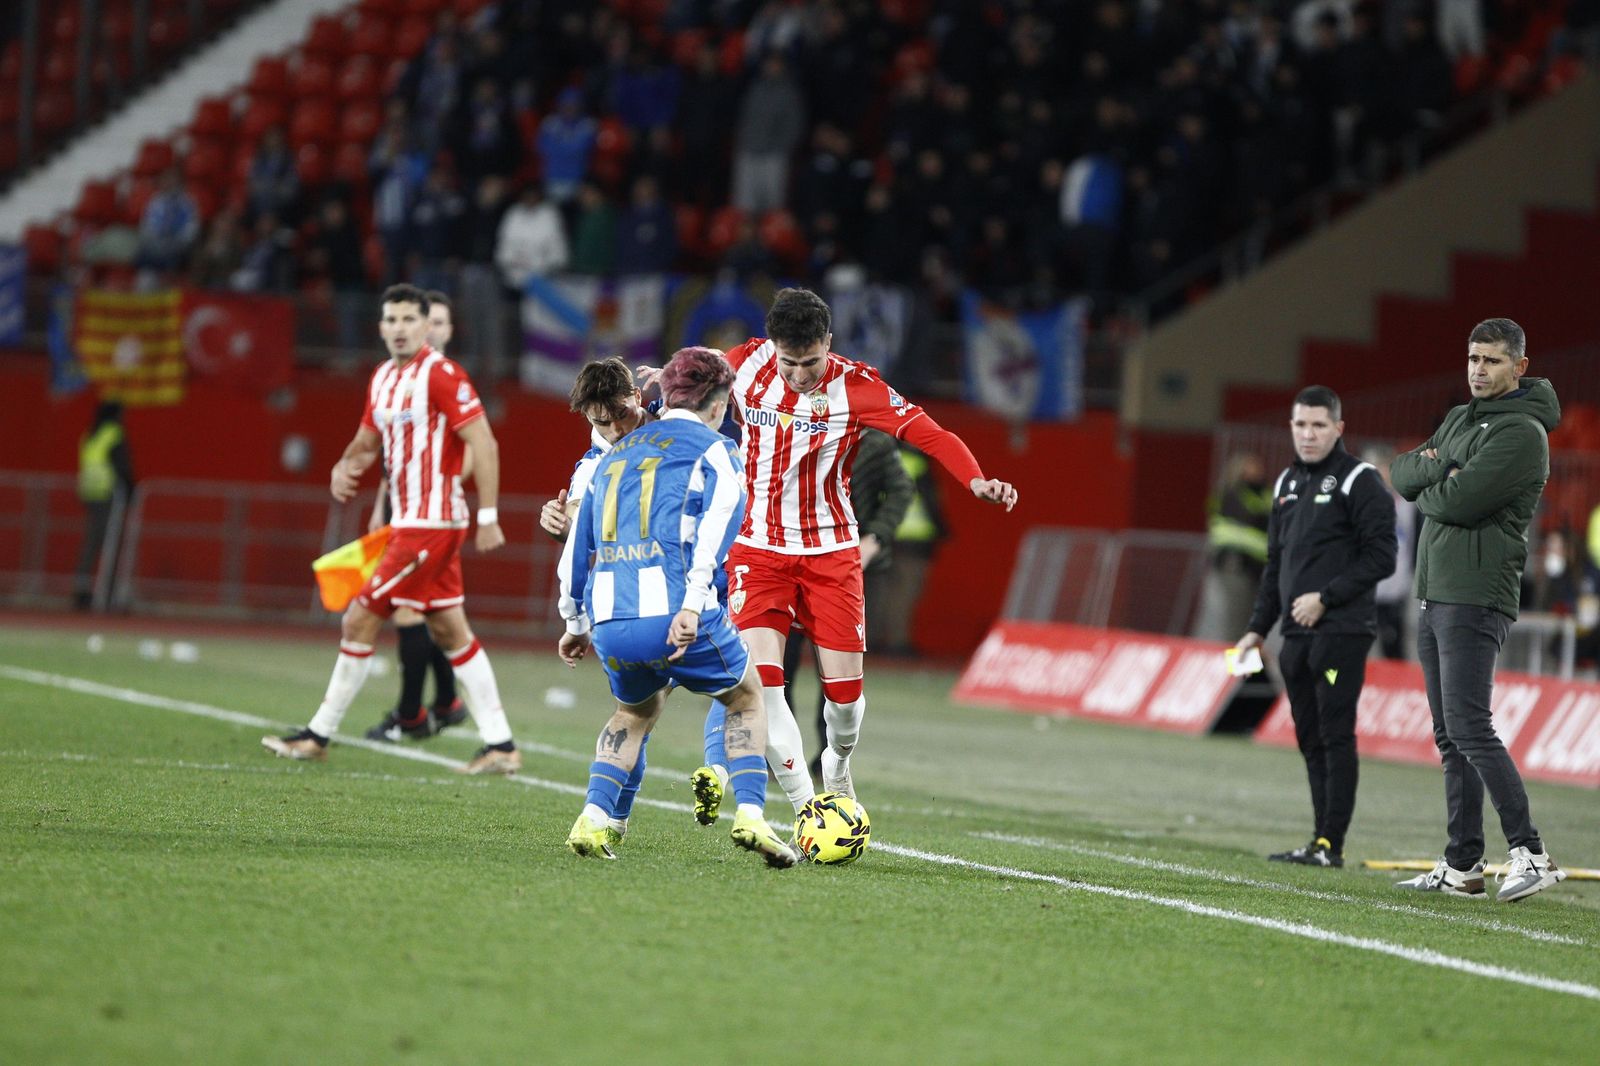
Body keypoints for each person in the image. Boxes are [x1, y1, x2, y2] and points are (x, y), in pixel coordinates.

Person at [716, 287, 1018, 811]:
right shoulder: (740, 365)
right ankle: (809, 807)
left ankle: (837, 760)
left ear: (827, 344)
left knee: (846, 702)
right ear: (772, 346)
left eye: (810, 362)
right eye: (790, 362)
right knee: (764, 687)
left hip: (832, 554)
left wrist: (976, 481)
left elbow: (933, 434)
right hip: (758, 551)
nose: (800, 374)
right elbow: (671, 387)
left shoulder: (856, 386)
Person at [262, 284, 521, 775]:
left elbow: (483, 442)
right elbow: (367, 439)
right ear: (380, 327)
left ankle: (318, 735)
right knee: (451, 630)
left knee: (359, 618)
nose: (400, 329)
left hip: (432, 524)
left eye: (409, 320)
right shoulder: (381, 378)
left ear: (426, 326)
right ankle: (501, 744)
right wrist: (345, 464)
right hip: (410, 522)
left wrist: (488, 517)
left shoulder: (442, 375)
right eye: (392, 320)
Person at [557, 346, 800, 867]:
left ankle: (594, 818)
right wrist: (693, 603)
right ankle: (752, 816)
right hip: (674, 608)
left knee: (635, 710)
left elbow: (578, 544)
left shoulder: (610, 457)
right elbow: (718, 532)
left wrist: (574, 620)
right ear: (719, 401)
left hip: (610, 616)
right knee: (746, 696)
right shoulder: (715, 449)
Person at [1389, 318, 1569, 901]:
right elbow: (1401, 473)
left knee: (1470, 726)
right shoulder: (1462, 417)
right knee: (1450, 735)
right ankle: (1463, 863)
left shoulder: (1521, 434)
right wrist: (1442, 466)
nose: (1477, 370)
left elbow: (1458, 503)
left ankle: (1531, 852)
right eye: (1472, 358)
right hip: (1437, 589)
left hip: (1475, 592)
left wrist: (1436, 475)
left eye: (1491, 360)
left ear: (1519, 366)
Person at [541, 357, 743, 838]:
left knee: (641, 710)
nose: (612, 429)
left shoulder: (671, 413)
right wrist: (563, 524)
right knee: (736, 687)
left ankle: (613, 815)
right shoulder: (596, 459)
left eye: (619, 415)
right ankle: (701, 785)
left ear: (636, 396)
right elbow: (576, 516)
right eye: (598, 421)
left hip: (688, 583)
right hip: (673, 594)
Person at [1235, 386, 1397, 869]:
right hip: (1294, 636)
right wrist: (1257, 629)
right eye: (1301, 425)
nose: (1308, 434)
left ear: (1338, 429)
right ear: (1291, 427)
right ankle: (1318, 839)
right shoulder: (1286, 482)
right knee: (1308, 734)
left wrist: (1326, 599)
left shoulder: (1360, 480)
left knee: (1334, 731)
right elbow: (1274, 567)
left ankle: (1332, 843)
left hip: (1341, 633)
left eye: (1318, 426)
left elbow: (1382, 557)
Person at [363, 291, 470, 743]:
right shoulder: (397, 379)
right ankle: (446, 703)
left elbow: (470, 451)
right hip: (404, 508)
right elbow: (393, 455)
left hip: (434, 514)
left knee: (411, 610)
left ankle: (412, 714)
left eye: (440, 323)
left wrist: (443, 491)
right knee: (438, 615)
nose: (432, 330)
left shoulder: (449, 381)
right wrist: (379, 505)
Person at [782, 426, 912, 775]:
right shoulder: (796, 429)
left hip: (846, 563)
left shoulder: (873, 440)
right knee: (781, 662)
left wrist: (875, 539)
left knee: (836, 665)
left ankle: (830, 757)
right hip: (793, 557)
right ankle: (780, 751)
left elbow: (902, 488)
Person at [870, 443, 947, 657]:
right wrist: (942, 529)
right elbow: (930, 499)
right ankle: (898, 641)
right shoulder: (916, 462)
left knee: (879, 590)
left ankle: (872, 639)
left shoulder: (878, 459)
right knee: (905, 592)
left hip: (883, 534)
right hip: (914, 538)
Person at [1192, 452, 1272, 642]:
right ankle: (1240, 670)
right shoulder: (1232, 493)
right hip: (1235, 564)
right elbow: (1253, 518)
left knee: (1252, 625)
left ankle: (1248, 670)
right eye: (1252, 466)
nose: (1258, 471)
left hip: (1258, 567)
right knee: (1237, 625)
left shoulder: (1265, 494)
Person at [73, 401, 135, 611]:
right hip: (109, 495)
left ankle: (81, 591)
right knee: (112, 545)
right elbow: (122, 464)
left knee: (91, 543)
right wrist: (130, 490)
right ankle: (107, 595)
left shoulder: (90, 434)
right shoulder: (113, 433)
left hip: (90, 492)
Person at [1362, 444, 1417, 660]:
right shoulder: (1361, 503)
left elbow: (1415, 541)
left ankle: (1395, 688)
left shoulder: (1408, 504)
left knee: (1393, 646)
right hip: (1365, 588)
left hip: (1396, 588)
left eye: (1382, 468)